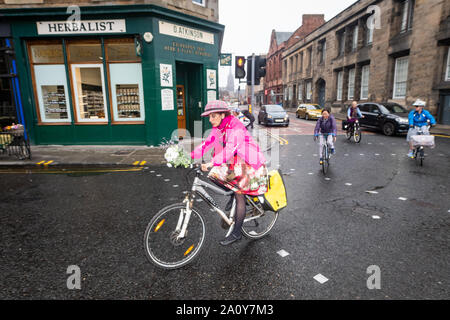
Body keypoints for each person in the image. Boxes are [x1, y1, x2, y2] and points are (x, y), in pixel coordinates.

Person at [191, 100, 268, 246]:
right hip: (235, 161)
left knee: (238, 193)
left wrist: (212, 162)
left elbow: (229, 150)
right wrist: (188, 156)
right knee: (214, 175)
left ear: (222, 114)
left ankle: (236, 233)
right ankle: (235, 195)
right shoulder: (218, 127)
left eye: (213, 116)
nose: (210, 119)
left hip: (248, 162)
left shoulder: (235, 126)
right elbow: (207, 143)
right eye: (209, 116)